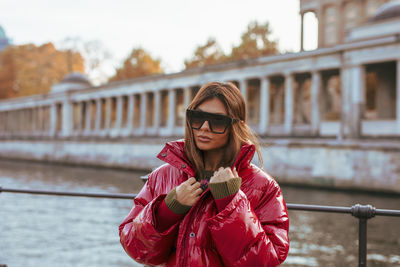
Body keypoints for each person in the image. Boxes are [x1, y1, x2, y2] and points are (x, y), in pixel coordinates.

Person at [119, 81, 289, 266]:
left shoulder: (264, 186)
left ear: (236, 126)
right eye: (197, 118)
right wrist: (167, 210)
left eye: (217, 121)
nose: (204, 127)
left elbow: (265, 261)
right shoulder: (162, 176)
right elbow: (136, 249)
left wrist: (230, 204)